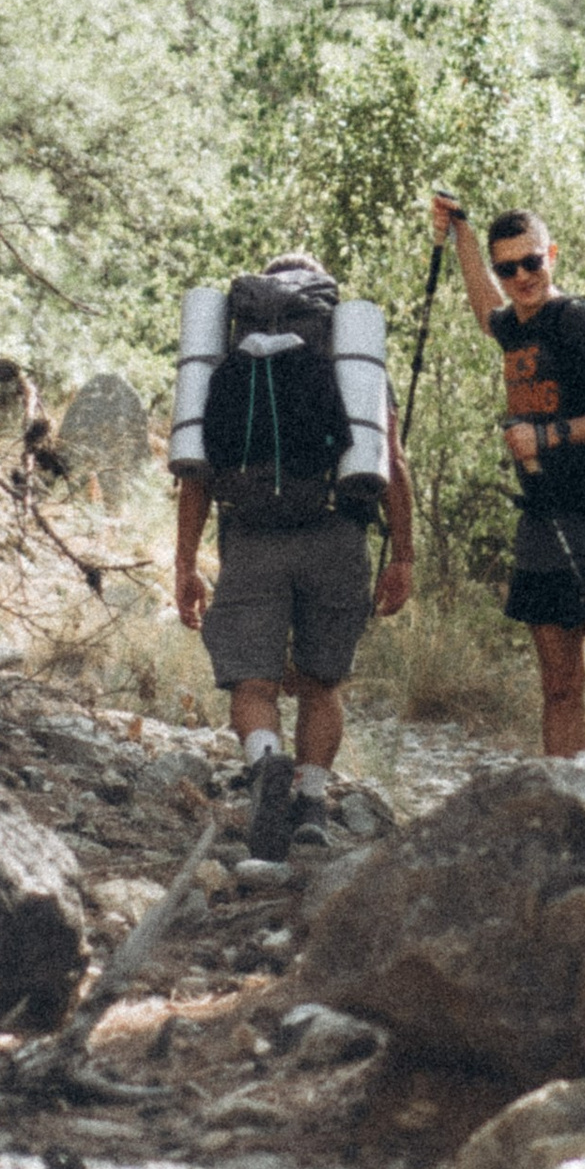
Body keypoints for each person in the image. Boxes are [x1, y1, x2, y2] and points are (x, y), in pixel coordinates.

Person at [171, 254, 415, 862]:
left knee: (252, 683)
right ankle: (309, 803)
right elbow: (394, 463)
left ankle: (265, 763)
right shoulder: (348, 356)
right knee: (319, 682)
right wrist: (403, 554)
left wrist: (185, 562)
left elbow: (196, 472)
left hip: (250, 534)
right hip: (335, 531)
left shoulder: (228, 356)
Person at [433, 197, 585, 760]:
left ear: (551, 256)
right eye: (507, 268)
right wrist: (461, 234)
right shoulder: (514, 326)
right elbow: (486, 309)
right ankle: (569, 812)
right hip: (540, 524)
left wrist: (551, 435)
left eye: (530, 263)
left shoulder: (580, 320)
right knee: (560, 688)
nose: (520, 278)